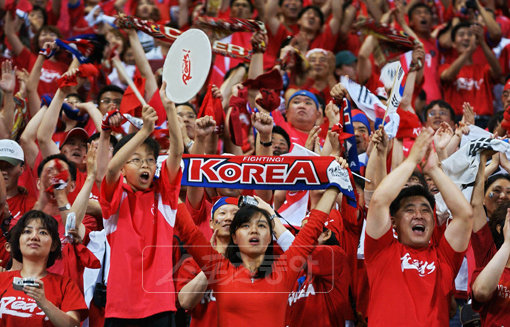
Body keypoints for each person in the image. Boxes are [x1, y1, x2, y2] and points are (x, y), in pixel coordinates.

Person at [174, 157, 349, 327]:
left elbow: (314, 226)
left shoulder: (285, 269)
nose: (254, 229)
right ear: (235, 236)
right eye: (245, 225)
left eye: (262, 225)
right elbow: (189, 232)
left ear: (270, 237)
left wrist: (335, 183)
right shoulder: (218, 268)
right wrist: (168, 183)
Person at [364, 128, 474, 325]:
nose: (418, 215)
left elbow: (464, 215)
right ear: (394, 222)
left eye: (425, 210)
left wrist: (433, 169)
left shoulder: (444, 259)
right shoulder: (381, 251)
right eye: (409, 209)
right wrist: (411, 159)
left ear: (433, 220)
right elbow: (379, 200)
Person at [100, 83, 183, 325]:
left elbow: (176, 153)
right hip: (120, 308)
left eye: (150, 160)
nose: (145, 165)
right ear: (125, 168)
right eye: (135, 160)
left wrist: (169, 108)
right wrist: (145, 131)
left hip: (160, 304)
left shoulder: (164, 197)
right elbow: (112, 167)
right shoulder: (115, 198)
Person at [0, 210, 87, 326]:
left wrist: (43, 302)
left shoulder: (66, 285)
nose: (34, 237)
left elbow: (73, 325)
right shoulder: (2, 279)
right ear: (18, 243)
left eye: (42, 232)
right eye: (27, 231)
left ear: (54, 245)